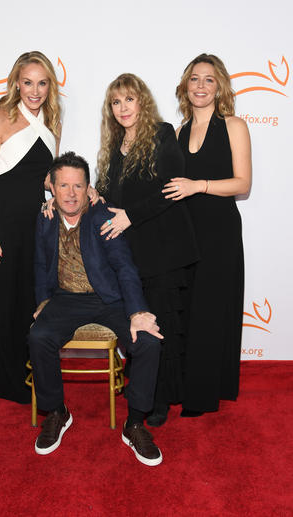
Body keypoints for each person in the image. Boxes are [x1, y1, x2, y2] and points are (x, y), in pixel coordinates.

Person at [28, 152, 163, 466]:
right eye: (64, 186)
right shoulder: (45, 218)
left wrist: (137, 311)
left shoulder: (101, 215)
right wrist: (42, 302)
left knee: (148, 342)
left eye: (78, 186)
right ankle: (57, 412)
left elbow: (124, 266)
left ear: (89, 188)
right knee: (38, 337)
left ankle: (135, 424)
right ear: (52, 187)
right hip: (64, 300)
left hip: (108, 299)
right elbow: (40, 264)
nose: (71, 193)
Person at [96, 73, 199, 426]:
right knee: (140, 325)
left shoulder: (161, 133)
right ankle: (143, 387)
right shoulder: (113, 146)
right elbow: (111, 197)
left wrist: (130, 217)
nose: (123, 108)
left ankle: (160, 400)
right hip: (134, 254)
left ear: (142, 101)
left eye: (129, 99)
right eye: (115, 102)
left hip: (165, 250)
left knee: (162, 324)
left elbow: (171, 190)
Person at [162, 53, 252, 416]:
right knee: (189, 312)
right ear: (186, 86)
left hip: (220, 231)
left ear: (220, 87)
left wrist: (199, 184)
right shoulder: (179, 130)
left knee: (212, 309)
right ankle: (184, 386)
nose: (200, 85)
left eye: (208, 80)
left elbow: (243, 182)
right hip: (187, 232)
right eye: (194, 79)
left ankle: (205, 393)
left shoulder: (234, 125)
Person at [0, 51, 61, 403]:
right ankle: (10, 385)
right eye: (28, 82)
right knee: (4, 304)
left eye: (42, 83)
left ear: (49, 86)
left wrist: (77, 188)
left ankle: (33, 377)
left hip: (37, 227)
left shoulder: (52, 122)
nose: (35, 90)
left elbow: (42, 178)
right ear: (16, 84)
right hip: (4, 225)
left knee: (31, 303)